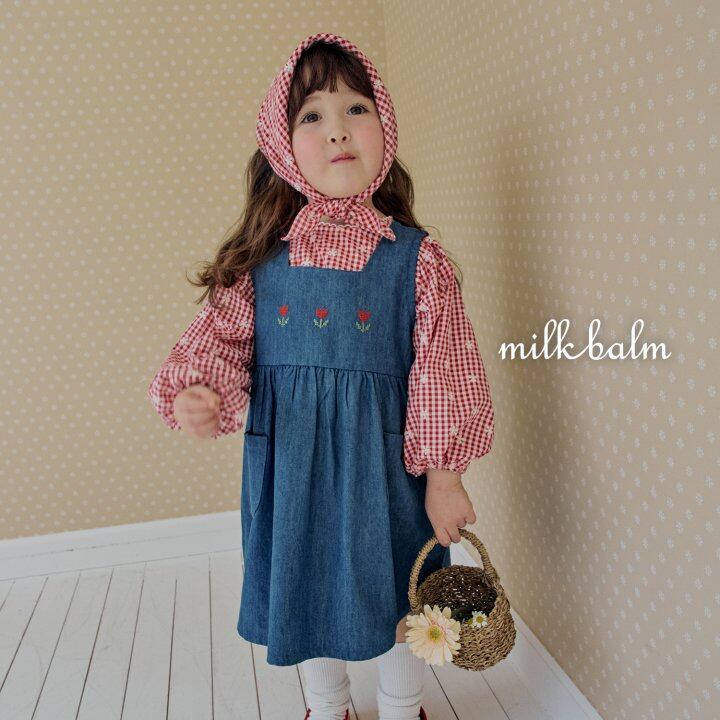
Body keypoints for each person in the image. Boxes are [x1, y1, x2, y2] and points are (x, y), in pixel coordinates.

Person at [147, 33, 495, 720]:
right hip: (291, 471)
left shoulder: (417, 261)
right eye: (312, 115)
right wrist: (201, 391)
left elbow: (445, 371)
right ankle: (327, 704)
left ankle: (402, 706)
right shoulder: (258, 262)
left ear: (384, 126)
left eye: (356, 108)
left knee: (403, 588)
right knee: (302, 585)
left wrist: (445, 477)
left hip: (387, 473)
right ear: (281, 147)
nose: (337, 128)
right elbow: (218, 343)